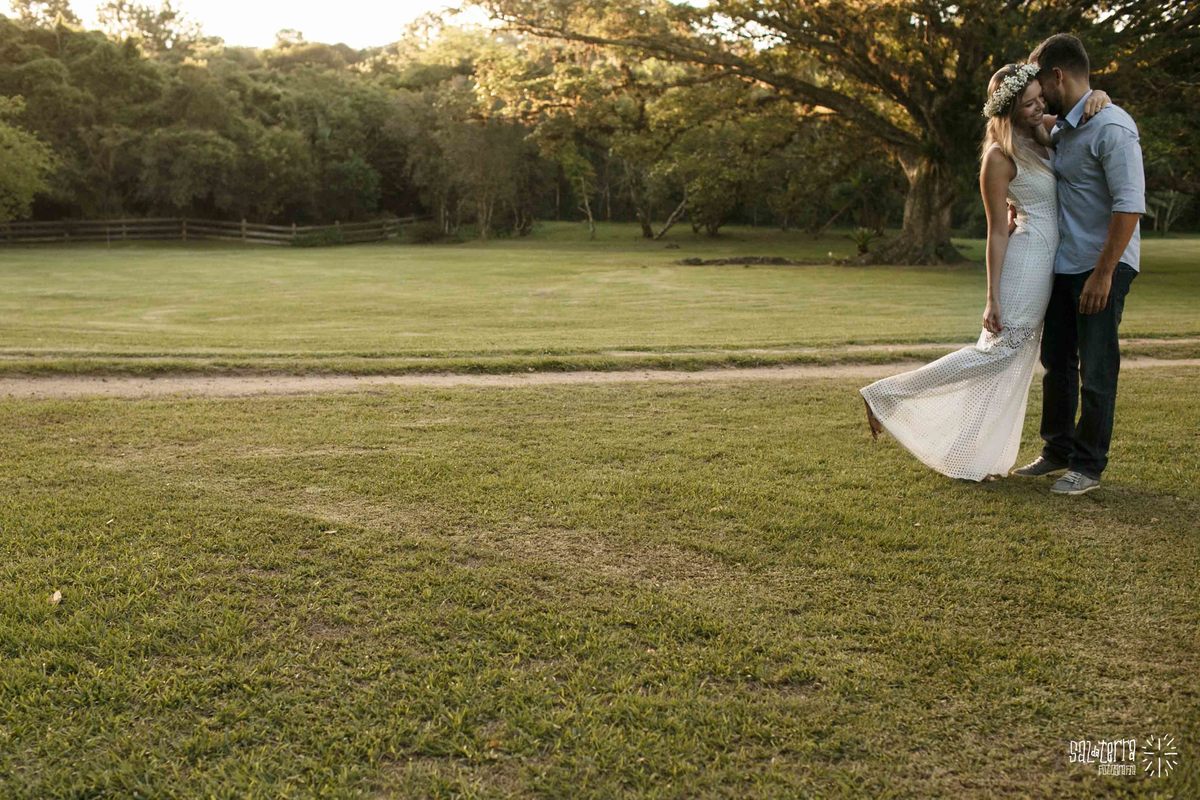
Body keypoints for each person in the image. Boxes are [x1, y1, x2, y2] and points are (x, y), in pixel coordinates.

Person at [858, 63, 1110, 482]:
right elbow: (996, 231)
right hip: (1026, 260)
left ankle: (965, 455)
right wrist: (992, 297)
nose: (1039, 106)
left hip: (1050, 261)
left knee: (1008, 362)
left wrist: (1101, 95)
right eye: (1028, 103)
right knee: (999, 352)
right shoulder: (998, 157)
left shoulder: (1041, 135)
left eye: (1040, 99)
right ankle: (887, 393)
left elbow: (1084, 109)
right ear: (1007, 111)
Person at [1010, 33, 1146, 495]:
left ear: (1058, 76)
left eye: (1039, 83)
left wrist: (1104, 273)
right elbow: (1011, 123)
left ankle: (1087, 466)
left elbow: (1129, 207)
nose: (1037, 94)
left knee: (1097, 366)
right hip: (1064, 264)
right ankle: (1057, 450)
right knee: (1058, 363)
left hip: (1103, 267)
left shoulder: (1112, 127)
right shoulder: (1067, 125)